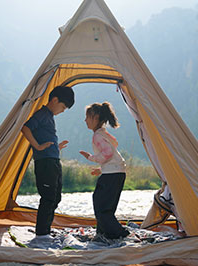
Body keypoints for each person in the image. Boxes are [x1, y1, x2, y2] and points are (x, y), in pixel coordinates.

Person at [21, 86, 75, 240]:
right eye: (63, 107)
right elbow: (25, 128)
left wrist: (56, 148)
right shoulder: (43, 114)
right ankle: (42, 233)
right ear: (55, 100)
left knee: (56, 197)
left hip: (53, 161)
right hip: (45, 163)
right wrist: (37, 146)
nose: (63, 110)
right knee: (48, 197)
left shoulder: (49, 116)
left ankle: (45, 229)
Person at [79, 102, 129, 241]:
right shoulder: (103, 133)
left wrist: (91, 157)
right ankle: (103, 233)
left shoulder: (97, 136)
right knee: (105, 205)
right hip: (116, 173)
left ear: (96, 118)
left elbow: (107, 153)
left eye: (87, 117)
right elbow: (114, 149)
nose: (85, 120)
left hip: (112, 174)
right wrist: (102, 169)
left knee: (101, 205)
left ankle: (119, 233)